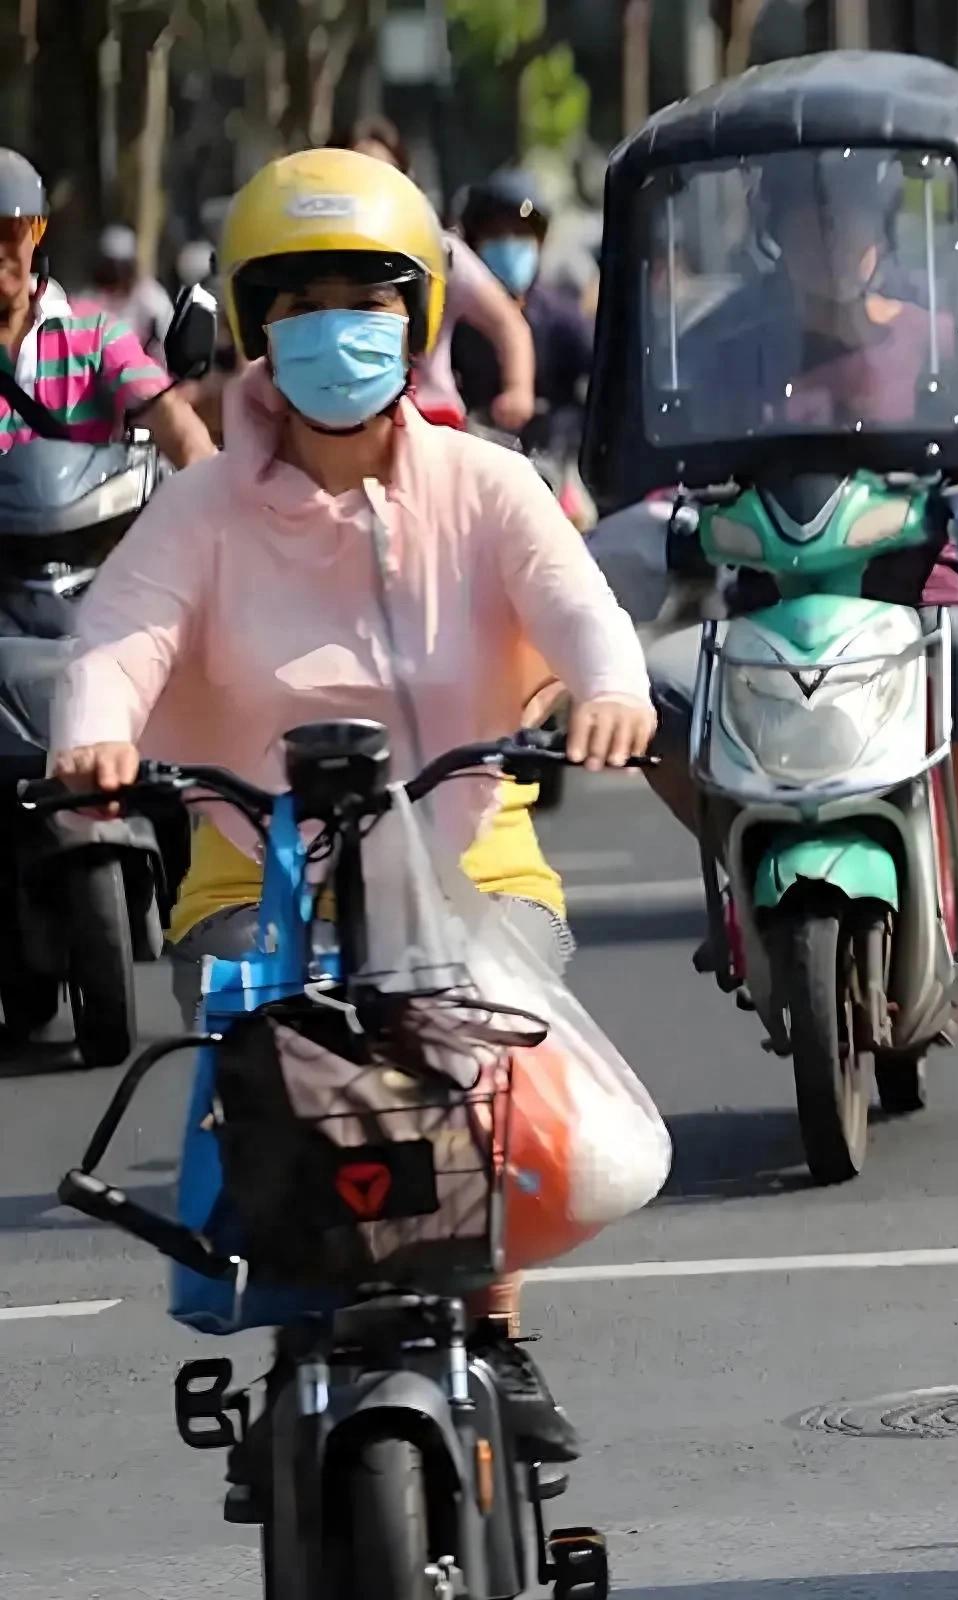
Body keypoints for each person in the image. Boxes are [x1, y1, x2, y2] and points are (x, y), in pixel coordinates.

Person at [46, 147, 654, 1462]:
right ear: (257, 326)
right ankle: (297, 1352)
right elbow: (118, 639)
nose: (338, 328)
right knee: (279, 1086)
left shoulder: (487, 487)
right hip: (241, 871)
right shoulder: (198, 510)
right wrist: (93, 737)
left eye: (368, 298)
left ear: (419, 314)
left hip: (468, 863)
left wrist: (610, 696)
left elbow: (585, 616)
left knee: (490, 1085)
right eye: (301, 301)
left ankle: (495, 1330)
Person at [642, 151, 958, 948]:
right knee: (647, 698)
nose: (834, 236)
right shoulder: (726, 346)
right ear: (774, 230)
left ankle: (955, 854)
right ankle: (740, 855)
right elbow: (669, 467)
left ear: (884, 223)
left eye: (854, 215)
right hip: (769, 604)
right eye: (809, 217)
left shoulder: (945, 345)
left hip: (918, 602)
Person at [0, 151, 213, 467]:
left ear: (38, 232)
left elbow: (171, 419)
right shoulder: (93, 295)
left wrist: (211, 486)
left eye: (11, 230)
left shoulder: (97, 334)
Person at [344, 117, 537, 434]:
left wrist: (518, 389)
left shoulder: (438, 252)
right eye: (356, 176)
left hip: (431, 421)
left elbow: (509, 323)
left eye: (385, 175)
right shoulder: (307, 260)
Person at [453, 167, 593, 454]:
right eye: (497, 235)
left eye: (520, 234)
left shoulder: (561, 317)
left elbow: (605, 378)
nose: (509, 245)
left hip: (553, 463)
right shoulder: (455, 319)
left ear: (540, 242)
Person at [83, 223, 174, 352]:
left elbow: (168, 338)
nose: (115, 273)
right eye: (110, 266)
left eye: (120, 267)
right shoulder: (90, 298)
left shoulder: (150, 297)